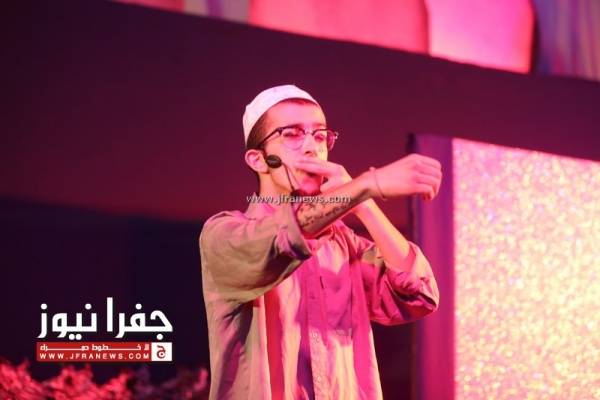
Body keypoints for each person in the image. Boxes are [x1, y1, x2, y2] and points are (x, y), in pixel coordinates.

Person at [199, 84, 441, 400]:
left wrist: (363, 204)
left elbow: (417, 295)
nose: (312, 147)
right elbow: (281, 239)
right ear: (258, 160)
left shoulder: (342, 242)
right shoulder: (224, 233)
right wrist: (366, 185)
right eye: (292, 134)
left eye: (320, 136)